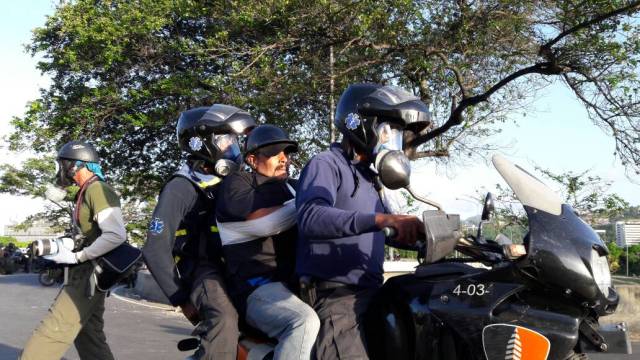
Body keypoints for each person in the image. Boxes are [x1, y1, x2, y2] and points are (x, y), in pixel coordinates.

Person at [295, 83, 431, 359]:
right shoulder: (326, 164)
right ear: (360, 124)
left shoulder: (372, 179)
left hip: (370, 293)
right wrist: (382, 219)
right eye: (387, 131)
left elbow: (383, 229)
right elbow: (310, 215)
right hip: (336, 297)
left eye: (396, 134)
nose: (392, 141)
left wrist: (420, 235)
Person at [142, 104, 255, 360]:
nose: (233, 148)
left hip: (236, 265)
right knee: (224, 319)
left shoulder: (231, 183)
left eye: (234, 142)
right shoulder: (181, 188)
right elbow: (154, 248)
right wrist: (181, 299)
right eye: (227, 141)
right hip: (203, 270)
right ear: (201, 144)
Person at [216, 124, 320, 360]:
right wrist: (309, 203)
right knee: (302, 321)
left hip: (298, 284)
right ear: (252, 160)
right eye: (275, 153)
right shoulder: (238, 183)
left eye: (287, 153)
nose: (284, 158)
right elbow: (266, 224)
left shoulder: (294, 188)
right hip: (257, 288)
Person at [21, 140, 127, 360]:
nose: (61, 170)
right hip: (88, 273)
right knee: (89, 337)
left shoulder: (97, 189)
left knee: (51, 333)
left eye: (64, 164)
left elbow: (116, 234)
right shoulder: (86, 190)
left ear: (77, 165)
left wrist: (80, 255)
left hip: (88, 275)